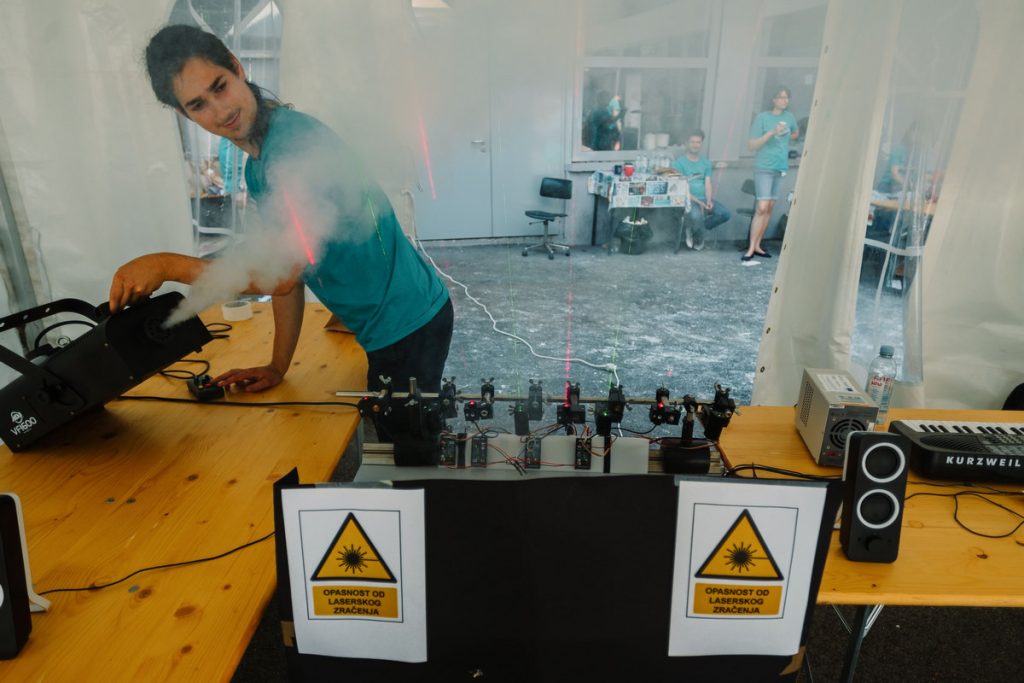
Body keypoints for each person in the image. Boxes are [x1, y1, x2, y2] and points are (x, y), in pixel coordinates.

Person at [109, 25, 452, 452]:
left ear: (237, 67)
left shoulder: (291, 147)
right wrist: (277, 365)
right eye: (198, 104)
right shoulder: (260, 163)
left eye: (220, 86)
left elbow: (281, 276)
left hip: (407, 323)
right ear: (184, 114)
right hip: (391, 321)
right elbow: (288, 275)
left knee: (409, 456)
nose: (220, 110)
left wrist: (167, 265)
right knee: (400, 440)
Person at [743, 86, 799, 265]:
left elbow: (795, 133)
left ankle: (758, 245)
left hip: (780, 167)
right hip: (763, 167)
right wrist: (771, 133)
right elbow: (752, 145)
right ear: (773, 100)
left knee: (769, 208)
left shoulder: (789, 117)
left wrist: (789, 134)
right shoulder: (762, 118)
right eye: (780, 97)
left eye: (787, 97)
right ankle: (750, 248)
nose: (784, 100)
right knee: (761, 207)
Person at [670, 130, 730, 251]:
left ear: (702, 144)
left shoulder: (706, 163)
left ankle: (696, 230)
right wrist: (699, 202)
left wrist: (708, 200)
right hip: (688, 199)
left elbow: (707, 183)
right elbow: (681, 188)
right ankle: (696, 229)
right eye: (692, 142)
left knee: (724, 214)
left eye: (698, 142)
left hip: (703, 198)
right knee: (696, 216)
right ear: (687, 143)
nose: (695, 145)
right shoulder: (678, 163)